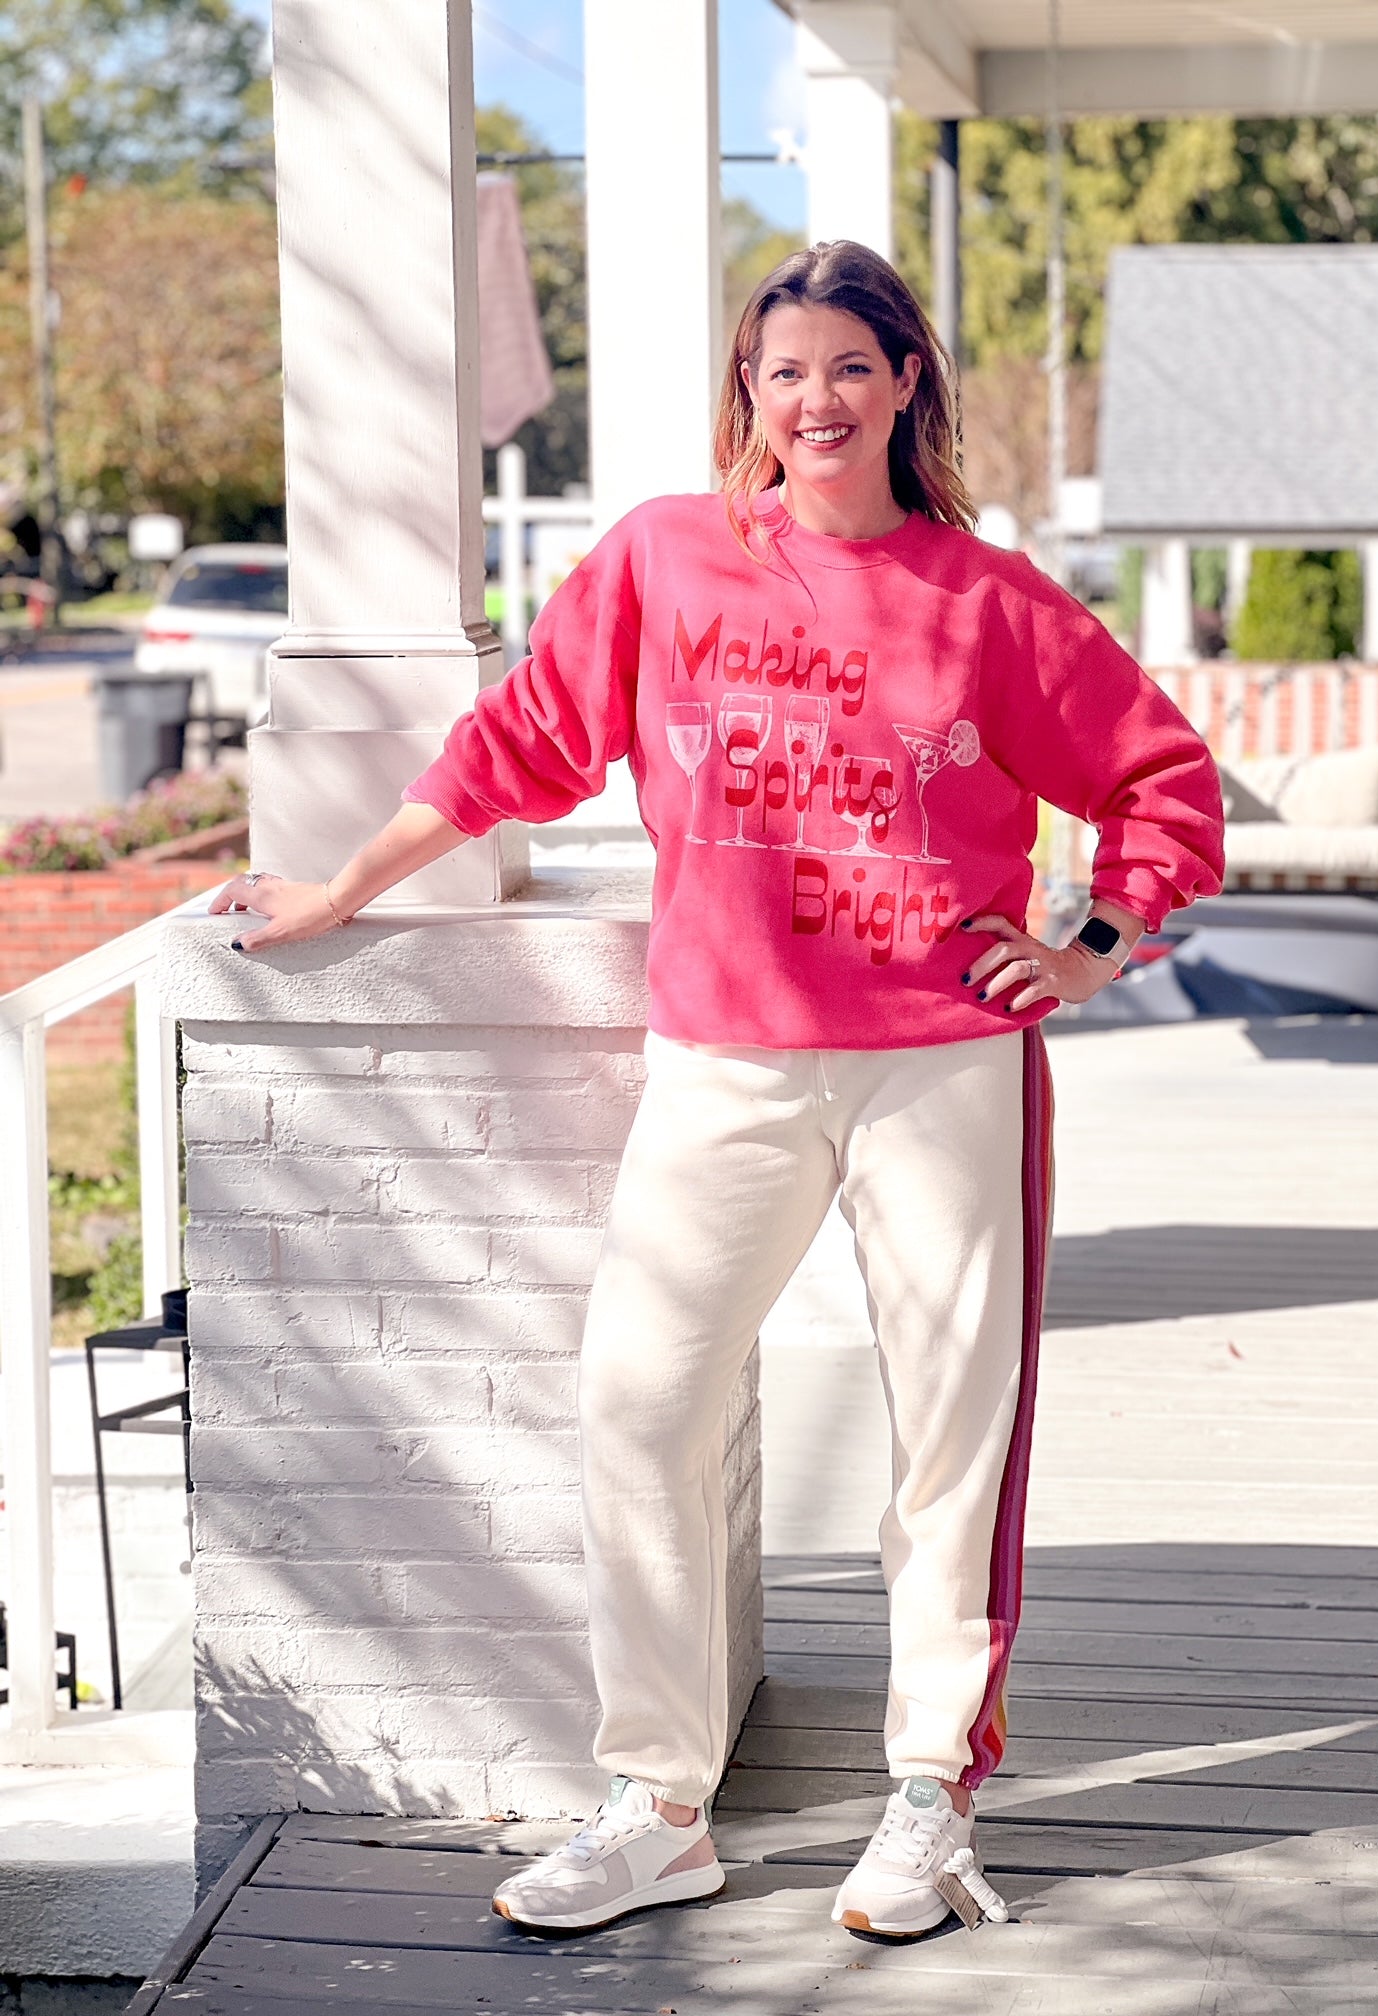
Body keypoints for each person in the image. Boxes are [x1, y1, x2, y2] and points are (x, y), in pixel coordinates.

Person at [213, 241, 1224, 1941]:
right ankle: (657, 1803)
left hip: (941, 1069)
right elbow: (516, 744)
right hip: (726, 1062)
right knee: (640, 1406)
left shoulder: (988, 599)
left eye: (848, 367)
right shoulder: (667, 561)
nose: (813, 401)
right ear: (744, 393)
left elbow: (1160, 775)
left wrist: (1094, 942)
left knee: (947, 1443)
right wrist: (337, 890)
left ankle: (927, 1799)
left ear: (906, 381)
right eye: (782, 371)